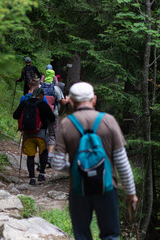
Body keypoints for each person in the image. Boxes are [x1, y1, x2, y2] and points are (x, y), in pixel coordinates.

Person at [51, 82, 138, 240]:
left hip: (78, 189)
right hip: (106, 188)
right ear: (94, 99)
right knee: (110, 235)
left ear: (71, 101)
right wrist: (131, 193)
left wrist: (78, 170)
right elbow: (122, 163)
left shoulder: (66, 124)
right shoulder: (109, 121)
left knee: (82, 235)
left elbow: (56, 164)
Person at [13, 88, 55, 185]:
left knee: (30, 155)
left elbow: (15, 115)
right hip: (41, 133)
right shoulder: (43, 104)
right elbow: (52, 118)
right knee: (43, 152)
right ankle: (41, 174)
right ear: (40, 95)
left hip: (28, 134)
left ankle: (32, 178)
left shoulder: (24, 103)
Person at [40, 64, 69, 167]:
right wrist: (67, 99)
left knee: (43, 133)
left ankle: (41, 157)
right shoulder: (56, 88)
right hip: (53, 114)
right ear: (53, 77)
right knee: (52, 135)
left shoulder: (40, 87)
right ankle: (50, 157)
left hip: (41, 114)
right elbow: (63, 103)